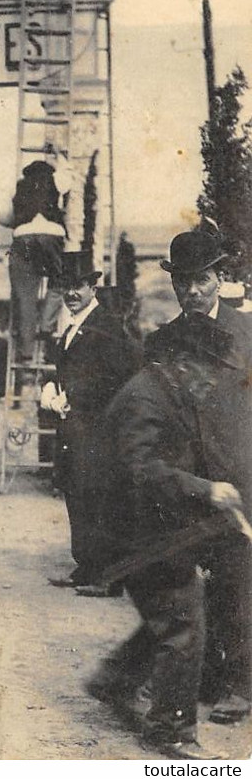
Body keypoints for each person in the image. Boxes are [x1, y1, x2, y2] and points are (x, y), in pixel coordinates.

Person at [87, 328, 250, 759]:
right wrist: (204, 489)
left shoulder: (168, 390)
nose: (213, 380)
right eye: (208, 370)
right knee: (183, 619)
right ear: (182, 362)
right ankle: (170, 731)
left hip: (143, 528)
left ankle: (116, 679)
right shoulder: (146, 399)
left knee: (173, 605)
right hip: (130, 534)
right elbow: (140, 470)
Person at [148, 229, 252, 726]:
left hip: (241, 476)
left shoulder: (247, 334)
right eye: (183, 282)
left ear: (219, 280)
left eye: (202, 280)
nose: (192, 290)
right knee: (189, 584)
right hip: (189, 482)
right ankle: (205, 677)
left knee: (238, 583)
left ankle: (240, 684)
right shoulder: (161, 342)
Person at [42, 251, 140, 594]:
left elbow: (119, 378)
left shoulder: (106, 325)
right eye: (66, 286)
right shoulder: (75, 325)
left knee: (99, 498)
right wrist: (53, 388)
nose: (71, 293)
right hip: (76, 427)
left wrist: (74, 396)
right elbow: (66, 370)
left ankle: (108, 576)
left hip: (98, 428)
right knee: (78, 494)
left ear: (92, 286)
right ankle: (87, 567)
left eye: (78, 286)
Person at [0, 155, 72, 363]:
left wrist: (22, 217)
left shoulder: (20, 187)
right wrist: (59, 156)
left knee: (25, 295)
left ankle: (26, 350)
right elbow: (68, 175)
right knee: (59, 281)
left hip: (23, 236)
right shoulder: (56, 179)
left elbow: (2, 218)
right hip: (52, 234)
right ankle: (47, 326)